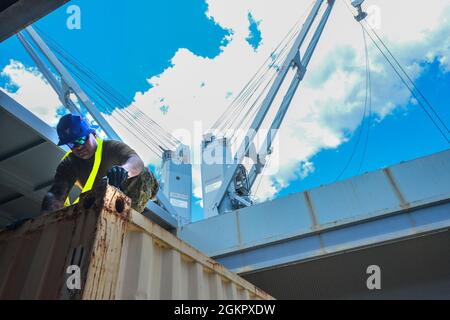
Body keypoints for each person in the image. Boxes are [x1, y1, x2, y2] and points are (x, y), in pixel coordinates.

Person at [41, 114, 159, 215]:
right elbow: (55, 196)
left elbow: (136, 162)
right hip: (100, 201)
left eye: (81, 140)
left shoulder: (112, 147)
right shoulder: (69, 164)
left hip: (128, 195)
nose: (79, 147)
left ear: (94, 134)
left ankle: (128, 215)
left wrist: (123, 171)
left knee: (145, 173)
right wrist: (42, 221)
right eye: (72, 144)